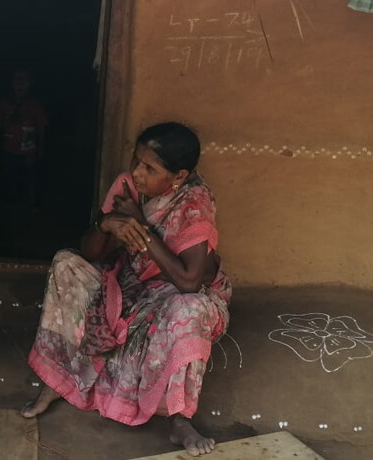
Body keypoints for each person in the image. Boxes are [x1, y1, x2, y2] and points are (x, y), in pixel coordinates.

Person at [21, 122, 230, 457]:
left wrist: (141, 227)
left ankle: (179, 419)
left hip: (173, 293)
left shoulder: (194, 203)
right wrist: (105, 225)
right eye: (136, 161)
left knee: (190, 309)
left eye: (149, 168)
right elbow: (91, 252)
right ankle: (57, 382)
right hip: (127, 283)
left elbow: (190, 281)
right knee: (66, 264)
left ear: (178, 176)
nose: (137, 172)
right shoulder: (126, 187)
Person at [0, 68, 48, 210]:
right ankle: (11, 202)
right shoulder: (4, 104)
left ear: (30, 83)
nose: (20, 83)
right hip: (9, 149)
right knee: (9, 176)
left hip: (29, 150)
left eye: (24, 80)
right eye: (17, 80)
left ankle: (33, 204)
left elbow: (41, 128)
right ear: (11, 83)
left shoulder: (35, 105)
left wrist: (41, 148)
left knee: (31, 177)